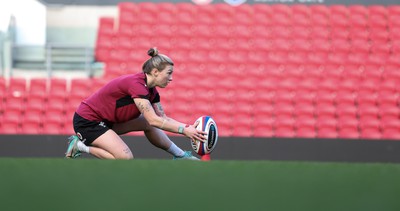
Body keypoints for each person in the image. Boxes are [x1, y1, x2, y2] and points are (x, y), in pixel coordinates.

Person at [65, 47, 207, 160]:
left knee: (146, 123)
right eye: (169, 73)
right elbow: (153, 120)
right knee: (125, 158)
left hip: (107, 121)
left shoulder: (152, 91)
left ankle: (180, 156)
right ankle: (80, 146)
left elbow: (162, 118)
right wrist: (184, 130)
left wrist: (187, 127)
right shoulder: (136, 85)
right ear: (156, 72)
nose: (171, 78)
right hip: (88, 122)